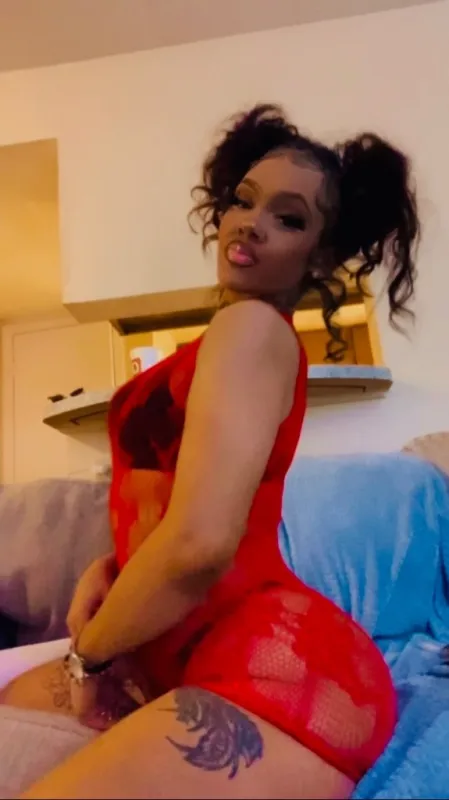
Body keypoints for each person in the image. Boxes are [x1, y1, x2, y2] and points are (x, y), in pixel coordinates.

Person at [4, 104, 419, 799]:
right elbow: (175, 504)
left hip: (277, 666)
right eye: (243, 200)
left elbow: (200, 543)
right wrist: (113, 568)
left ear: (319, 256)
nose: (250, 223)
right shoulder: (226, 339)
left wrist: (89, 658)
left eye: (289, 218)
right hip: (177, 653)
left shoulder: (250, 329)